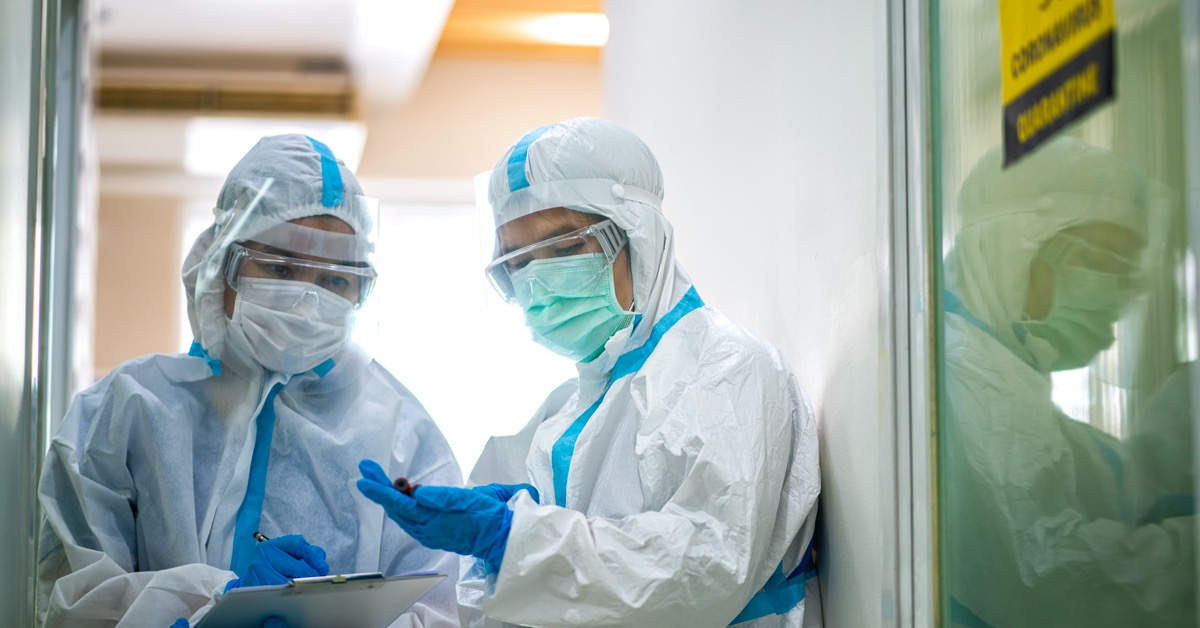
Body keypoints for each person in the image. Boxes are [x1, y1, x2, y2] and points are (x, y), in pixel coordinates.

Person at [356, 117, 822, 626]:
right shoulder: (564, 412)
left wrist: (512, 537)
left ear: (637, 237)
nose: (538, 280)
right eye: (516, 260)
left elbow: (704, 570)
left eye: (562, 248)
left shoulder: (729, 371)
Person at [37, 134, 462, 627]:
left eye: (335, 280)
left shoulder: (402, 435)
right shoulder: (127, 410)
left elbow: (439, 609)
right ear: (222, 265)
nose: (308, 299)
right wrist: (208, 608)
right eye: (282, 267)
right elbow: (70, 600)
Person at [941, 136, 1195, 626]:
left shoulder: (1000, 371)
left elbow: (1099, 478)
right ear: (1018, 248)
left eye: (1129, 273)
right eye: (1105, 263)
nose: (1120, 292)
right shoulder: (971, 372)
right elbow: (1051, 576)